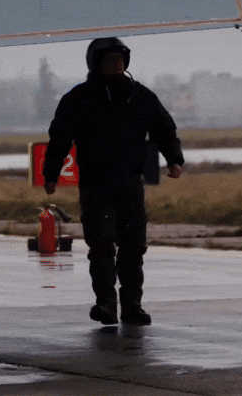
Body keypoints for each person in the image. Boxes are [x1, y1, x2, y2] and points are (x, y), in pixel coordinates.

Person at [43, 38, 184, 326]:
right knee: (101, 244)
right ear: (96, 63)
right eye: (110, 61)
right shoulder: (78, 99)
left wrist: (174, 159)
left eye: (120, 60)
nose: (116, 65)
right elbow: (59, 138)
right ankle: (106, 303)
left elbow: (163, 127)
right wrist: (51, 173)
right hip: (95, 183)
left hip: (130, 180)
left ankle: (132, 306)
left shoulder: (140, 96)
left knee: (133, 246)